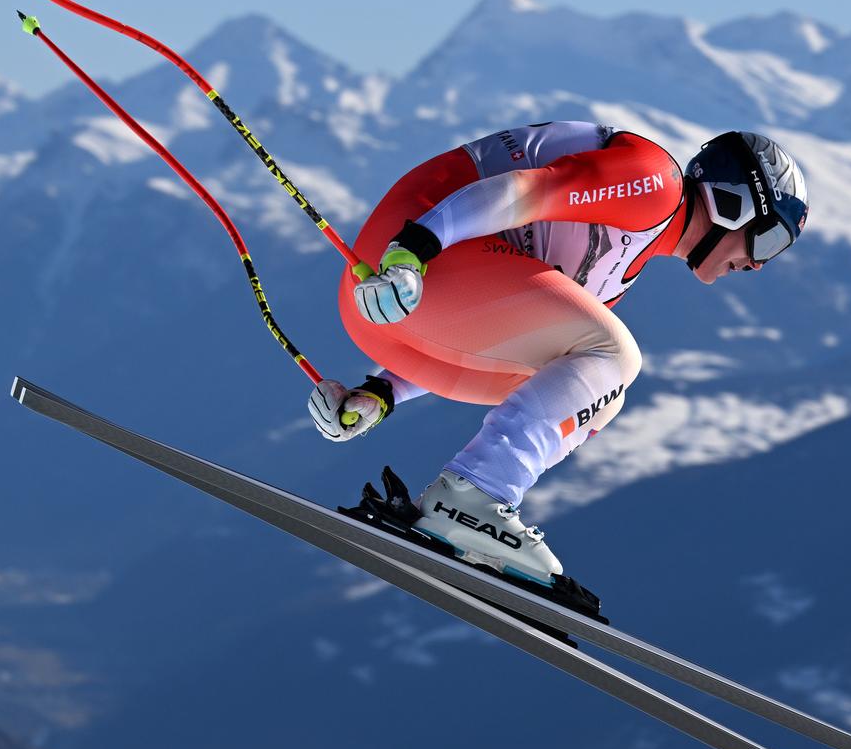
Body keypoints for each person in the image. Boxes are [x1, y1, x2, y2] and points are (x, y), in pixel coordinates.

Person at [309, 123, 809, 588]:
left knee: (593, 387)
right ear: (735, 201)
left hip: (396, 300)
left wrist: (381, 391)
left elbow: (498, 317)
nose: (758, 265)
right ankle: (471, 498)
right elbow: (526, 190)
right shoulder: (656, 181)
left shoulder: (623, 265)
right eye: (771, 239)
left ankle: (467, 504)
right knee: (616, 356)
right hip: (412, 257)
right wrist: (413, 248)